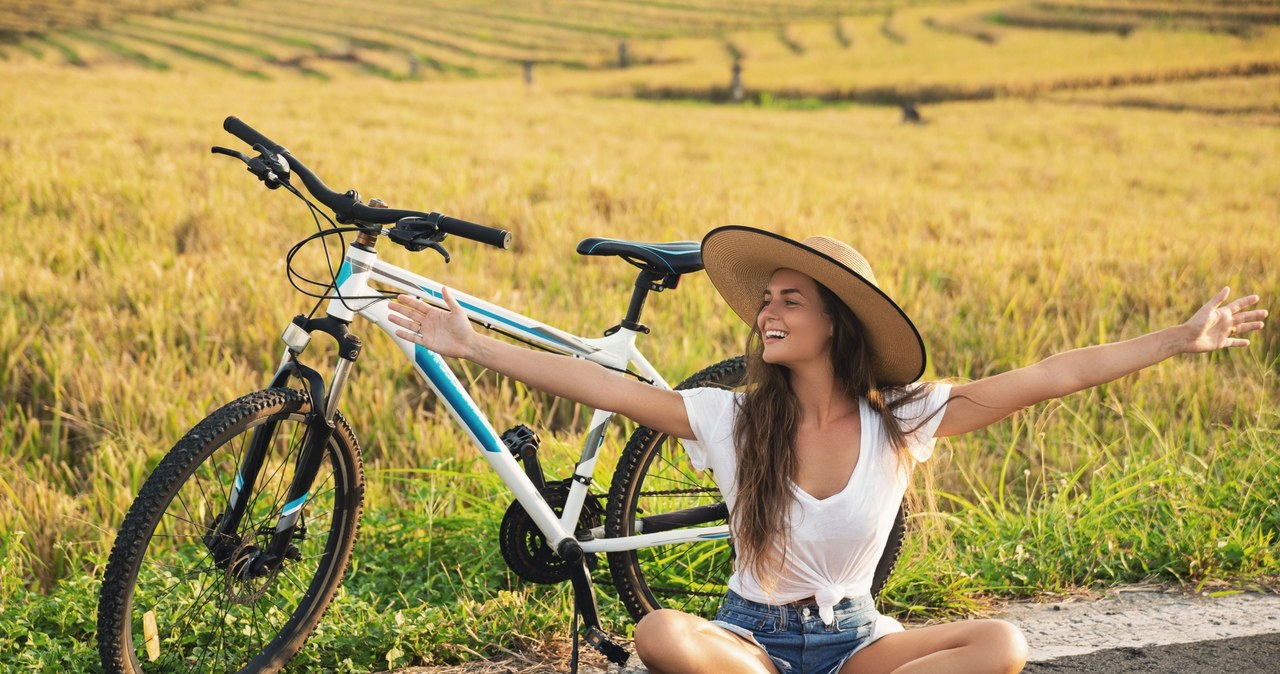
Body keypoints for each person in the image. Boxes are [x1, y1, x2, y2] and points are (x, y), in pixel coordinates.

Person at [387, 225, 1267, 674]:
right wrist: (475, 346)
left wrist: (1176, 340)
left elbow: (1053, 373)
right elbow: (602, 387)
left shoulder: (905, 422)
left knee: (1005, 644)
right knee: (659, 631)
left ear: (835, 324)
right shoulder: (732, 419)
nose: (765, 313)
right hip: (751, 644)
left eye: (788, 302)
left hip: (855, 641)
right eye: (764, 300)